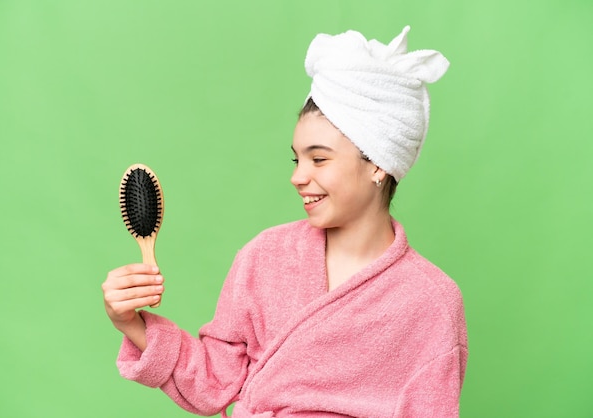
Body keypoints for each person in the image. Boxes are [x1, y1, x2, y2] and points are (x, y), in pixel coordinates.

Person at [103, 26, 468, 417]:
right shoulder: (265, 256)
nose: (297, 176)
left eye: (319, 159)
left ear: (378, 163)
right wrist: (129, 322)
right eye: (297, 159)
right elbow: (213, 383)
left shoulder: (431, 302)